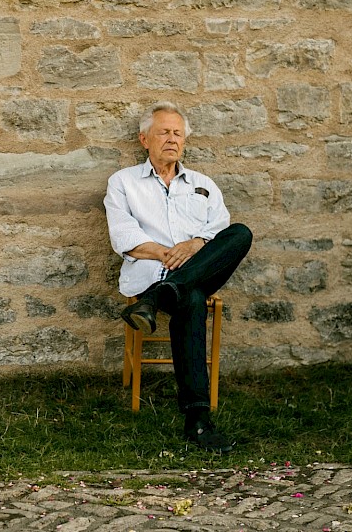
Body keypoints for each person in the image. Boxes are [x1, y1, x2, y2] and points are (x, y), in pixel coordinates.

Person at [104, 101, 252, 453]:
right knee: (193, 298)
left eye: (177, 133)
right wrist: (167, 253)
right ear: (144, 139)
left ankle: (159, 300)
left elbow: (218, 232)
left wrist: (196, 243)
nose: (172, 139)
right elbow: (123, 236)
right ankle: (198, 422)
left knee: (241, 233)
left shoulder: (203, 185)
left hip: (199, 268)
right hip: (151, 272)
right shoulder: (123, 182)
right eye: (163, 132)